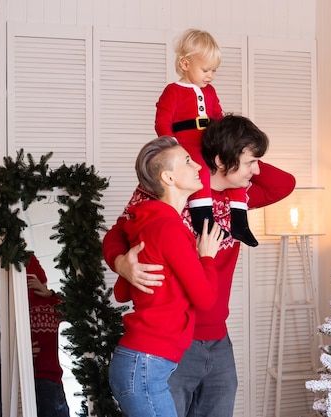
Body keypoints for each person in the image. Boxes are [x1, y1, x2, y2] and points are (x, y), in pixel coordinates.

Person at [102, 115, 296, 417]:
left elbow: (284, 184)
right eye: (250, 162)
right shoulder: (162, 195)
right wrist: (121, 264)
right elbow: (116, 235)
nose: (256, 170)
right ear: (221, 160)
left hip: (219, 338)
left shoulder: (240, 199)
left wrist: (231, 142)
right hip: (176, 339)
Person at [108, 136, 224, 417]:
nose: (198, 165)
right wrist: (206, 256)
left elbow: (122, 293)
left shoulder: (150, 222)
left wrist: (125, 266)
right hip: (145, 365)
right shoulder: (167, 227)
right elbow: (205, 299)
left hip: (141, 363)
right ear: (168, 177)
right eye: (187, 161)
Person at [155, 28, 258, 247]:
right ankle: (205, 221)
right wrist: (174, 149)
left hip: (210, 141)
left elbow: (218, 116)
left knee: (234, 168)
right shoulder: (173, 91)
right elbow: (162, 122)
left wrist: (230, 142)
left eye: (214, 71)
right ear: (185, 64)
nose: (210, 76)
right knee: (199, 168)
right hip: (187, 146)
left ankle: (240, 222)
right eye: (205, 70)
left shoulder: (210, 91)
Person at [26, 254, 70, 417]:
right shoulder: (13, 309)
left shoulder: (50, 305)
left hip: (50, 379)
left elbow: (78, 311)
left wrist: (50, 293)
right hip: (22, 379)